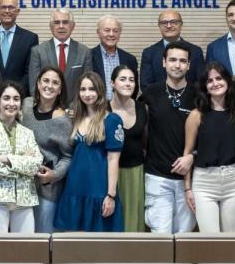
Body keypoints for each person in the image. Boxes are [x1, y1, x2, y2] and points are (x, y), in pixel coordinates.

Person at [182, 62, 235, 233]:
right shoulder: (196, 115)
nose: (215, 83)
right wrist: (188, 188)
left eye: (219, 78)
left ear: (228, 81)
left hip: (234, 181)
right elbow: (187, 153)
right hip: (204, 183)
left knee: (231, 238)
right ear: (205, 87)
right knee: (209, 240)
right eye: (210, 81)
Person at [54, 72, 125, 232]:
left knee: (99, 245)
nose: (87, 94)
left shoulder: (112, 120)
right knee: (73, 243)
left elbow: (113, 159)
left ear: (100, 91)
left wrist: (111, 195)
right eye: (83, 89)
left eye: (92, 89)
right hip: (74, 186)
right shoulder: (75, 118)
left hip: (99, 189)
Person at [141, 41, 197, 234]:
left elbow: (208, 135)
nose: (177, 65)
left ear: (189, 65)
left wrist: (192, 156)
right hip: (157, 177)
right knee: (161, 237)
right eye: (172, 59)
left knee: (184, 238)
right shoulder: (150, 94)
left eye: (183, 61)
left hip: (189, 180)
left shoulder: (199, 95)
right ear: (163, 62)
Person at [0, 81, 42, 233]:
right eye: (6, 98)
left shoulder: (27, 133)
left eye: (16, 99)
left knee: (27, 251)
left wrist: (4, 158)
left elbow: (36, 164)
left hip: (24, 198)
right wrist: (21, 163)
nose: (11, 103)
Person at [21, 66, 73, 233]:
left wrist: (54, 175)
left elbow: (68, 156)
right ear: (38, 83)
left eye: (55, 83)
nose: (49, 86)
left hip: (47, 189)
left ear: (60, 90)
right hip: (23, 186)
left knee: (45, 238)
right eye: (46, 80)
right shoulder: (26, 105)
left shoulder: (62, 121)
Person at [110, 64, 147, 232]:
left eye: (131, 80)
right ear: (112, 83)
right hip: (110, 174)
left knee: (134, 222)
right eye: (122, 79)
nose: (128, 84)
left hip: (136, 173)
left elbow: (147, 142)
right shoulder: (103, 109)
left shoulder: (142, 107)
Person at [28, 8, 93, 95]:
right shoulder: (38, 51)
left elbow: (87, 87)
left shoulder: (84, 52)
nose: (61, 26)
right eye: (57, 23)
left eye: (65, 22)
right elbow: (34, 87)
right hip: (47, 106)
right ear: (51, 27)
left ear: (72, 26)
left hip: (75, 107)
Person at [140, 10, 205, 87]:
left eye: (173, 22)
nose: (169, 26)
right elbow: (146, 85)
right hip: (157, 98)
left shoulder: (196, 51)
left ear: (181, 25)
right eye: (164, 23)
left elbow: (200, 83)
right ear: (159, 26)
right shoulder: (149, 53)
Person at [91, 14, 138, 100]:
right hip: (97, 109)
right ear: (98, 33)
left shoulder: (130, 59)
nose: (111, 34)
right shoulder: (89, 56)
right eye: (107, 30)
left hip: (122, 109)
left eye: (115, 31)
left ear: (120, 33)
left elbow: (134, 89)